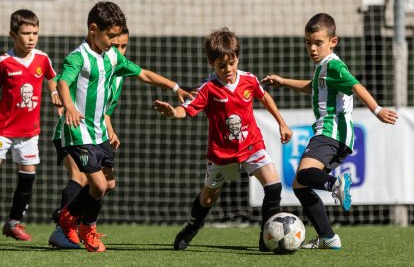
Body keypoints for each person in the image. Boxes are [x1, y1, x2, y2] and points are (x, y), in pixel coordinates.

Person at [56, 1, 192, 253]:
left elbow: (143, 74)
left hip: (99, 132)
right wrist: (70, 106)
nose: (113, 42)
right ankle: (87, 228)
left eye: (117, 37)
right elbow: (63, 83)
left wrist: (175, 87)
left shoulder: (112, 56)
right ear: (93, 29)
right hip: (78, 131)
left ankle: (69, 215)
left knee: (108, 184)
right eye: (110, 36)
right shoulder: (78, 57)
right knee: (97, 185)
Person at [261, 13, 398, 249]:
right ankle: (328, 237)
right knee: (299, 185)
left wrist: (377, 110)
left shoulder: (334, 65)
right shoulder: (323, 67)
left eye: (318, 43)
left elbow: (356, 85)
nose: (312, 48)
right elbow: (314, 87)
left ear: (333, 41)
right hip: (334, 136)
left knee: (304, 175)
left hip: (330, 132)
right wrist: (283, 81)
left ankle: (336, 185)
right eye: (308, 43)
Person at [153, 27, 293, 252]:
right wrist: (172, 112)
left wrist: (282, 123)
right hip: (222, 154)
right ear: (212, 64)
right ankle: (191, 227)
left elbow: (264, 96)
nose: (228, 69)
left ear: (237, 58)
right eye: (221, 65)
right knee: (208, 199)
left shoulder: (248, 79)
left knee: (274, 186)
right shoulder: (207, 89)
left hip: (251, 145)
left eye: (232, 62)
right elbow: (185, 109)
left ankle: (267, 237)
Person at [48, 27, 130, 249]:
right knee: (81, 177)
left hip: (94, 134)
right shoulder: (85, 59)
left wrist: (109, 129)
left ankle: (67, 222)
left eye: (123, 46)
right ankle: (63, 229)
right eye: (115, 45)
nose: (119, 50)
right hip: (70, 130)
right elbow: (55, 80)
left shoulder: (116, 75)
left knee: (103, 182)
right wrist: (59, 97)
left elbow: (104, 112)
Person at [0, 9, 61, 241]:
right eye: (26, 33)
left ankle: (13, 223)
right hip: (3, 130)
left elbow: (50, 77)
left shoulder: (42, 59)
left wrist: (55, 94)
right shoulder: (4, 62)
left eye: (35, 32)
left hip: (28, 133)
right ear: (12, 34)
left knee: (28, 178)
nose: (31, 38)